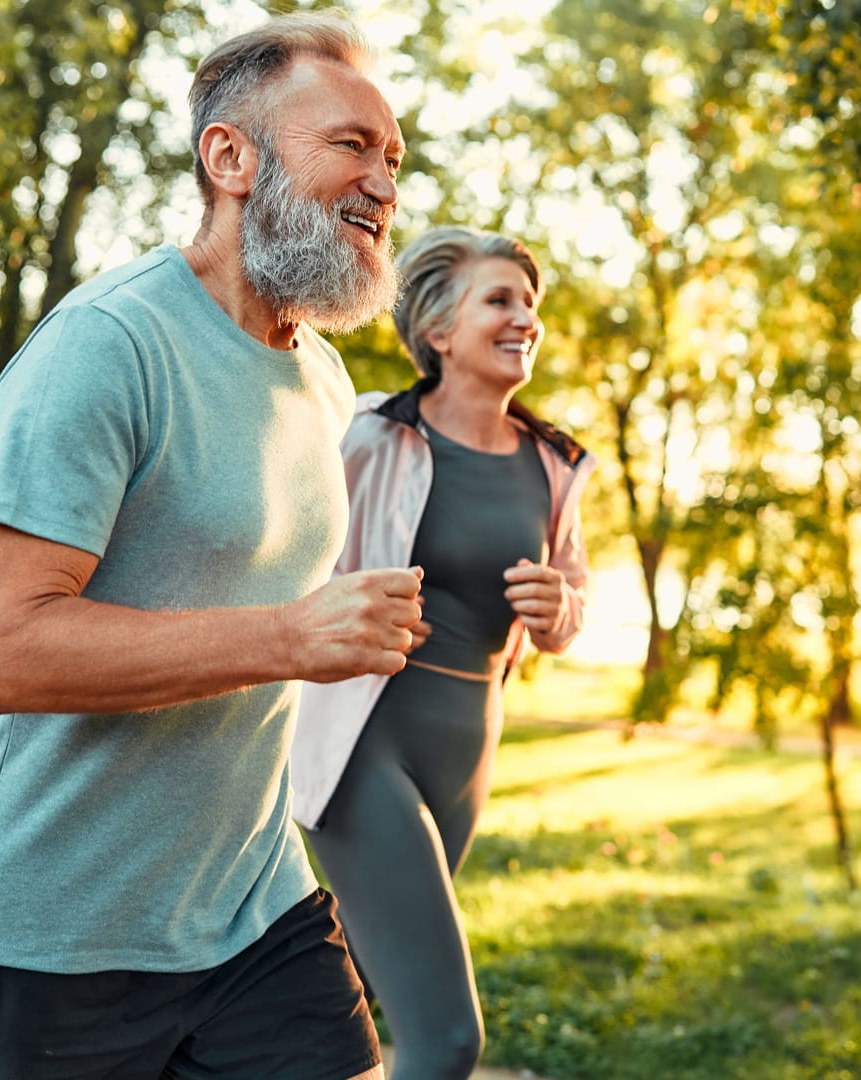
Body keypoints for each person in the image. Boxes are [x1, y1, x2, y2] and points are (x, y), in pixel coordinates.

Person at [0, 13, 420, 1079]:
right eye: (352, 147)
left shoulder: (320, 379)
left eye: (395, 159)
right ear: (231, 158)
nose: (384, 185)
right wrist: (287, 637)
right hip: (51, 937)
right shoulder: (107, 347)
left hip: (254, 911)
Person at [290, 225, 596, 1080]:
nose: (524, 318)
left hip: (466, 746)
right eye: (500, 300)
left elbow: (573, 602)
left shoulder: (554, 463)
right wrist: (348, 611)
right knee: (447, 1039)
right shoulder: (365, 435)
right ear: (438, 331)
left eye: (530, 304)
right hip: (364, 742)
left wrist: (559, 607)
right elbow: (287, 563)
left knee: (348, 997)